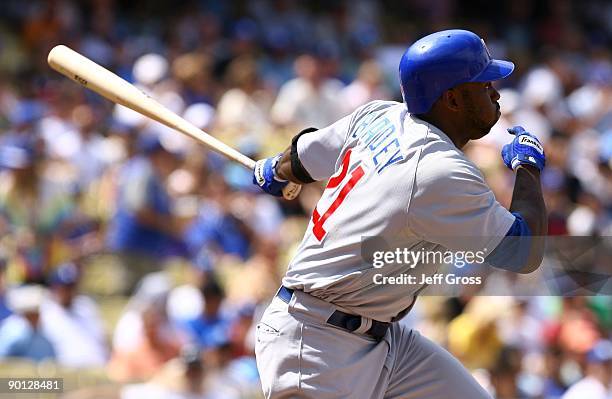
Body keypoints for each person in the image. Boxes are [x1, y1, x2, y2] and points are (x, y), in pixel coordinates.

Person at [252, 29, 547, 399]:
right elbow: (525, 252)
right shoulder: (438, 170)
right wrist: (528, 168)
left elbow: (299, 159)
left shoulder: (380, 114)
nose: (496, 91)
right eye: (483, 82)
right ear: (452, 99)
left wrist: (275, 172)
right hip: (316, 344)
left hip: (383, 339)